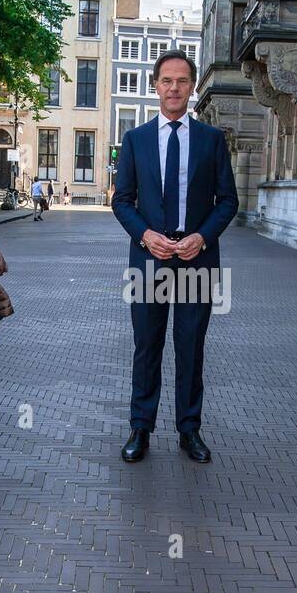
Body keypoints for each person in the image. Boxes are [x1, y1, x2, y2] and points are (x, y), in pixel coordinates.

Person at [111, 49, 238, 463]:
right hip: (148, 260)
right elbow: (123, 201)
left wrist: (201, 238)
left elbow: (228, 201)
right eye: (167, 80)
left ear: (192, 86)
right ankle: (140, 429)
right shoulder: (135, 140)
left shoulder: (212, 140)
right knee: (146, 347)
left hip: (195, 260)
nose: (174, 88)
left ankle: (190, 431)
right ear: (155, 85)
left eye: (182, 81)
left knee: (190, 348)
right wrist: (146, 235)